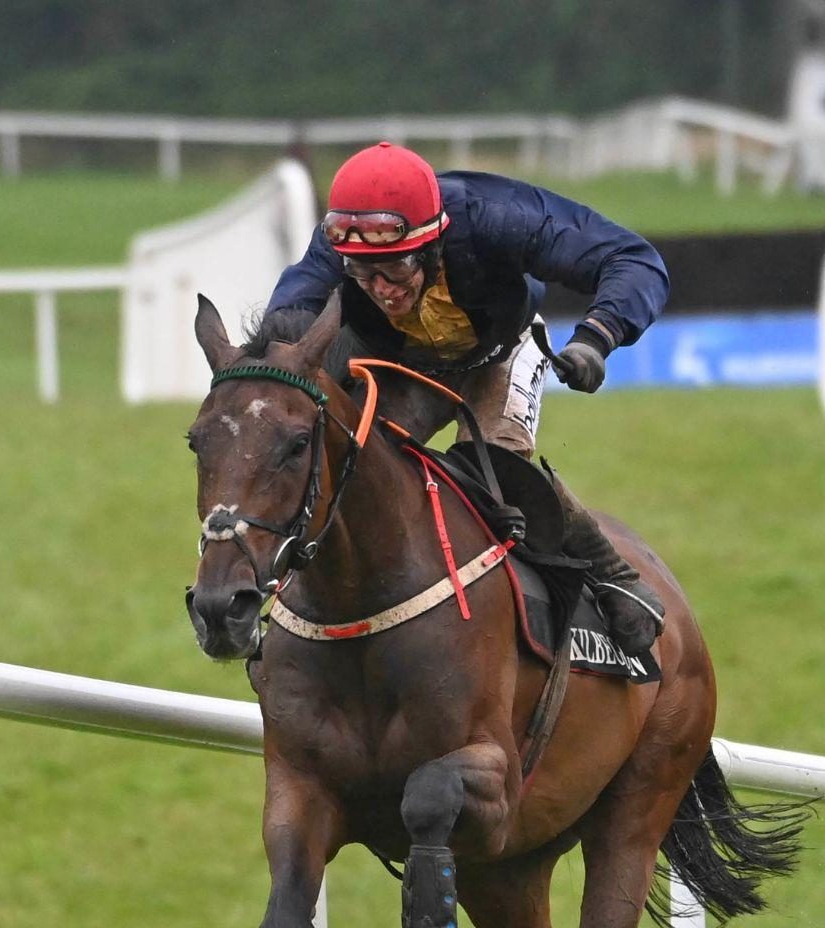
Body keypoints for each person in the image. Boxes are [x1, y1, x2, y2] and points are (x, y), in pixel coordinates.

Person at [266, 141, 669, 658]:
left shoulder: (494, 216)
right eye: (362, 274)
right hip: (398, 359)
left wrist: (598, 336)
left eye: (395, 267)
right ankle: (281, 603)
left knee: (498, 472)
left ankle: (611, 573)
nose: (382, 289)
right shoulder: (333, 249)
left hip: (499, 350)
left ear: (434, 243)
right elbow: (288, 322)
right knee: (347, 467)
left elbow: (633, 258)